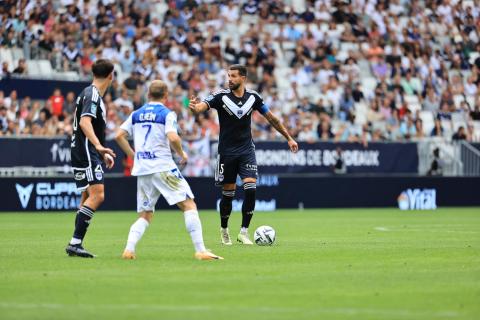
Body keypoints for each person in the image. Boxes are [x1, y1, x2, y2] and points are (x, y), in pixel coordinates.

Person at [189, 64, 298, 245]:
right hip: (226, 152)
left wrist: (289, 138)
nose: (229, 79)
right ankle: (224, 230)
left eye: (233, 76)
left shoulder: (253, 98)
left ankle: (243, 232)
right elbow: (201, 107)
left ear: (243, 78)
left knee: (251, 189)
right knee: (228, 195)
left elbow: (272, 118)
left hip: (247, 150)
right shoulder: (220, 96)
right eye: (228, 76)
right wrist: (194, 107)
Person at [115, 80, 223, 261]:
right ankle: (201, 250)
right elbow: (173, 137)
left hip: (143, 169)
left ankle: (129, 249)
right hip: (163, 166)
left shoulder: (136, 114)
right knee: (189, 204)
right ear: (166, 96)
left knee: (146, 214)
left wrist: (133, 155)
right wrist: (182, 153)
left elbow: (119, 135)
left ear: (148, 95)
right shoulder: (167, 113)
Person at [66, 59, 116, 258]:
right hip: (86, 150)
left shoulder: (89, 93)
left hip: (86, 150)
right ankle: (75, 243)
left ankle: (76, 242)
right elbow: (85, 122)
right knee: (98, 195)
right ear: (111, 75)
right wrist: (98, 146)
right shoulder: (93, 94)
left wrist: (101, 152)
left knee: (87, 196)